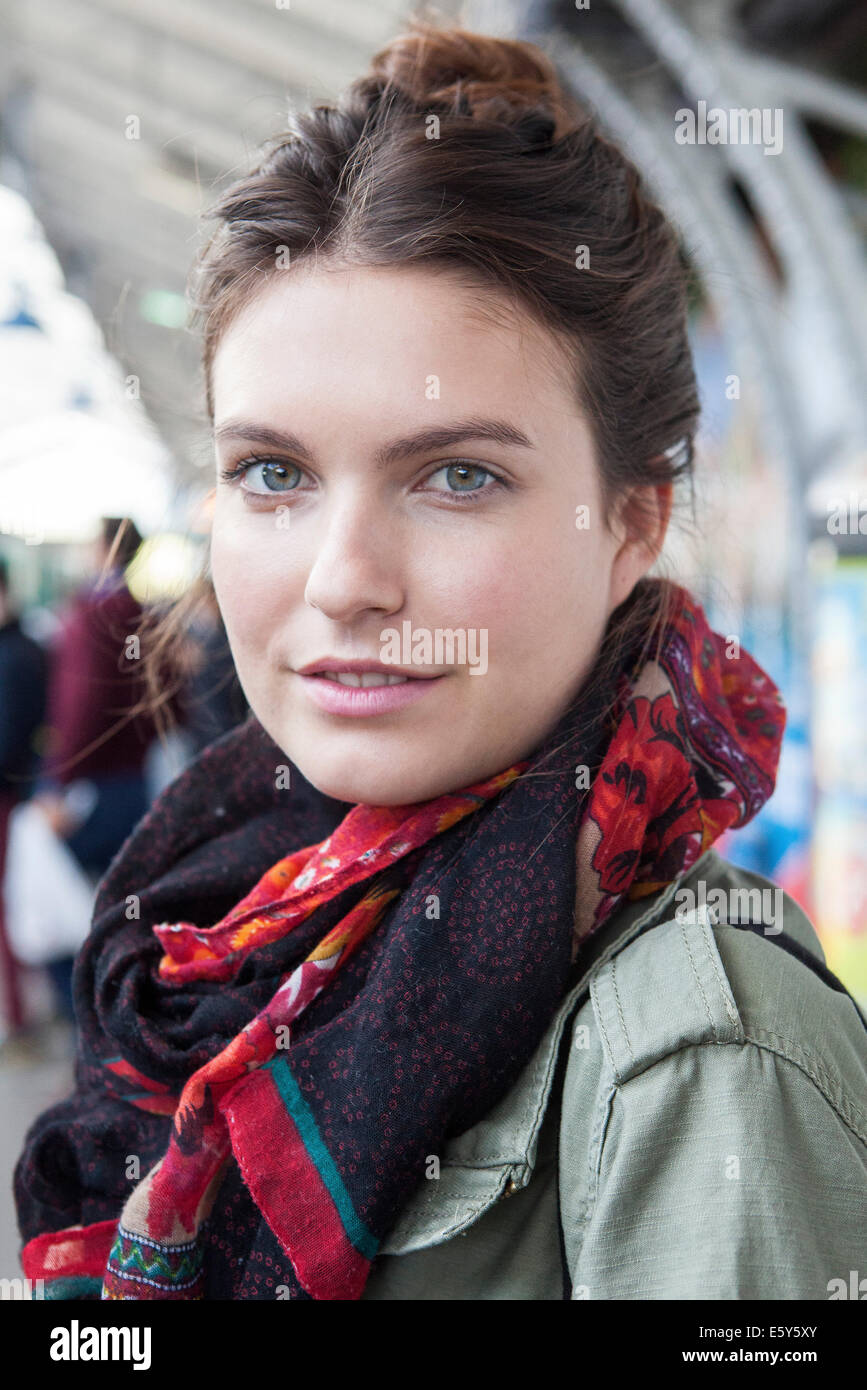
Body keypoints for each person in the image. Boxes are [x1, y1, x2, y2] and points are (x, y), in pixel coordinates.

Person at [14, 19, 867, 1301]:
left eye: (458, 475)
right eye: (274, 473)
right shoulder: (206, 925)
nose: (344, 577)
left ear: (633, 517)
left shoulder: (699, 1051)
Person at [30, 517, 158, 1018]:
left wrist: (57, 780)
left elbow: (80, 702)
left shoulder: (92, 612)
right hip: (133, 776)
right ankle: (123, 1016)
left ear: (106, 549)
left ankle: (89, 1020)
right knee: (119, 900)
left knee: (70, 901)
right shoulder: (140, 611)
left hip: (91, 783)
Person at [0, 556, 48, 1034]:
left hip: (13, 798)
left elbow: (11, 738)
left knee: (10, 910)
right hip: (25, 794)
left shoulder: (14, 653)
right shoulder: (27, 645)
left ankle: (19, 1017)